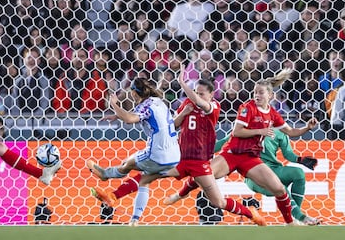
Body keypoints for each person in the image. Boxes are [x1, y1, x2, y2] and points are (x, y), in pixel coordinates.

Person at [90, 66, 266, 226]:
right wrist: (182, 113)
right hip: (180, 159)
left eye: (202, 93)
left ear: (211, 95)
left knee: (218, 202)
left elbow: (202, 103)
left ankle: (251, 215)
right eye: (196, 92)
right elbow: (172, 126)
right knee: (145, 177)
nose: (197, 95)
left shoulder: (213, 106)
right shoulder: (187, 105)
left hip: (200, 163)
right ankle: (114, 197)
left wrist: (182, 83)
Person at [164, 68, 319, 225]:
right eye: (255, 92)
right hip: (231, 154)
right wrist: (261, 131)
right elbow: (237, 132)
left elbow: (291, 131)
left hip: (250, 158)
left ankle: (290, 223)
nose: (257, 95)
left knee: (279, 189)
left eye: (260, 93)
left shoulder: (272, 113)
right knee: (203, 174)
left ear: (270, 96)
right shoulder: (247, 108)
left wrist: (307, 128)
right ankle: (179, 195)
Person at [87, 77, 181, 226]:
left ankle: (106, 174)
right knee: (144, 180)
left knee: (127, 163)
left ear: (135, 93)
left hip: (157, 154)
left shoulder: (145, 106)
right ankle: (135, 219)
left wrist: (115, 105)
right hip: (175, 156)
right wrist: (119, 115)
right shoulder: (158, 102)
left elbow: (130, 119)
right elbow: (140, 115)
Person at [213, 129, 321, 225]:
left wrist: (300, 160)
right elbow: (222, 143)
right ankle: (301, 217)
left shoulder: (280, 130)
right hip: (253, 174)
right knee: (279, 186)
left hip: (274, 169)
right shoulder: (244, 128)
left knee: (298, 173)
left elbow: (288, 154)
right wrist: (202, 151)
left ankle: (295, 216)